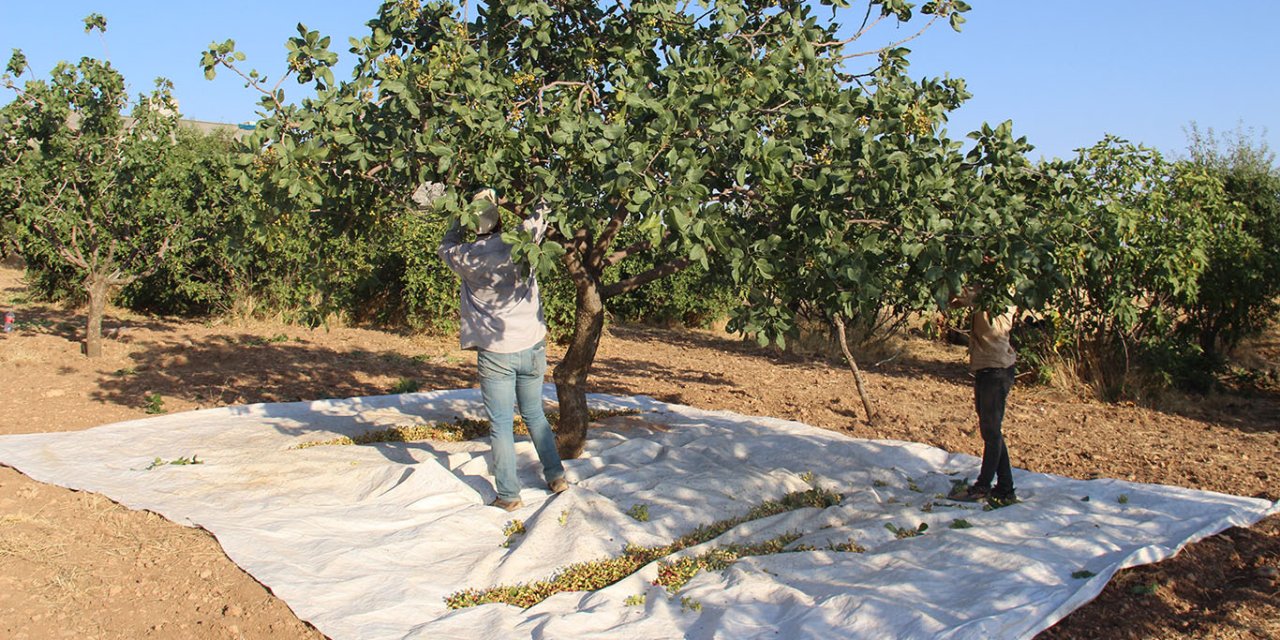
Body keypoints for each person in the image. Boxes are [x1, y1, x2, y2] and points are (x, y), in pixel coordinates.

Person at [438, 189, 567, 511]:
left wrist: (459, 213)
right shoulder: (520, 244)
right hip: (532, 344)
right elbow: (541, 210)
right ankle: (556, 476)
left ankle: (509, 496)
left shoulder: (465, 256)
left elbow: (445, 244)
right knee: (535, 413)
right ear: (499, 220)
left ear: (474, 224)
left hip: (495, 352)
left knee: (501, 425)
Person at [948, 288, 1018, 504]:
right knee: (991, 429)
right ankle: (1005, 488)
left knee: (991, 430)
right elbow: (954, 302)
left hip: (995, 368)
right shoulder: (988, 288)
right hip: (989, 367)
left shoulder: (996, 288)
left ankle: (983, 486)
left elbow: (956, 296)